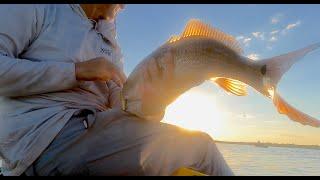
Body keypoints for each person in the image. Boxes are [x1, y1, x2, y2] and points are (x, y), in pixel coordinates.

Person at [0, 4, 234, 176]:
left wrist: (155, 102)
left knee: (189, 156)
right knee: (202, 149)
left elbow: (122, 106)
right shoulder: (38, 8)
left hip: (95, 131)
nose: (125, 7)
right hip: (44, 140)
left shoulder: (109, 36)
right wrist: (77, 71)